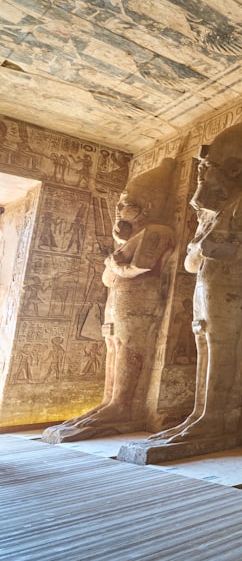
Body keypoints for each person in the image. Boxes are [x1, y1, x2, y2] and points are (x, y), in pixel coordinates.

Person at [146, 114, 242, 446]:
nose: (200, 172)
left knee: (222, 349)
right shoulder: (211, 214)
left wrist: (207, 247)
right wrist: (209, 246)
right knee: (203, 346)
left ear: (234, 169)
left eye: (207, 166)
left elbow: (239, 250)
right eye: (200, 166)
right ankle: (200, 413)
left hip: (230, 288)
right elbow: (190, 262)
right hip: (205, 285)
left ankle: (217, 417)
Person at [43, 158, 176, 443]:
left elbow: (139, 267)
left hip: (138, 302)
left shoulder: (157, 231)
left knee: (128, 347)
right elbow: (110, 275)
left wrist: (115, 263)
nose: (118, 209)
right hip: (118, 300)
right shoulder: (132, 235)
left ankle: (123, 405)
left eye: (124, 204)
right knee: (113, 346)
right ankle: (110, 401)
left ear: (147, 207)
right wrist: (119, 248)